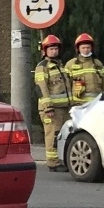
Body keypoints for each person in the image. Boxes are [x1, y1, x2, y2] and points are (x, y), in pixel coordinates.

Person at [32, 34, 72, 170]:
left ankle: (61, 159)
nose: (54, 51)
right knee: (52, 135)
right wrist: (48, 107)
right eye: (51, 49)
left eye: (56, 49)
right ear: (45, 51)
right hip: (51, 109)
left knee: (62, 135)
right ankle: (53, 162)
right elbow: (41, 88)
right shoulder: (42, 67)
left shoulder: (60, 65)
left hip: (64, 107)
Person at [65, 33, 104, 105]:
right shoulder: (70, 64)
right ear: (78, 49)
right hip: (78, 103)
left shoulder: (98, 64)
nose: (86, 50)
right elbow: (66, 85)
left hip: (96, 102)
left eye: (88, 47)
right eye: (83, 48)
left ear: (92, 48)